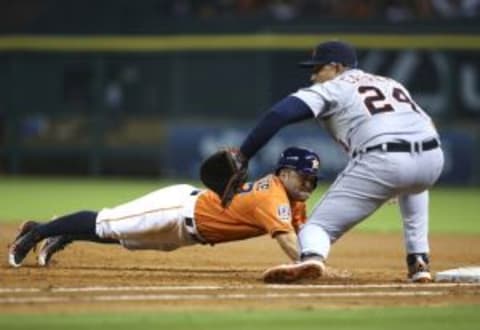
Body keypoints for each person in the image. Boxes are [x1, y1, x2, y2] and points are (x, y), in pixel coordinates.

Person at [233, 40, 444, 283]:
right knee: (415, 189)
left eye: (317, 69)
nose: (313, 77)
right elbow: (427, 123)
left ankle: (311, 258)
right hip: (432, 158)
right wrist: (403, 171)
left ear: (336, 67)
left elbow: (278, 114)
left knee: (316, 228)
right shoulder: (390, 83)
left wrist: (243, 155)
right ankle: (419, 263)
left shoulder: (333, 87)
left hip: (384, 158)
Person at [8, 147, 321, 268]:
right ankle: (36, 232)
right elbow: (287, 240)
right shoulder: (273, 195)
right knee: (107, 223)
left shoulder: (292, 201)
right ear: (284, 173)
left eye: (314, 181)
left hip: (187, 234)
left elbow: (301, 232)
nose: (309, 184)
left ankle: (65, 234)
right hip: (175, 209)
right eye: (304, 177)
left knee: (120, 237)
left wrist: (313, 256)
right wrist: (312, 266)